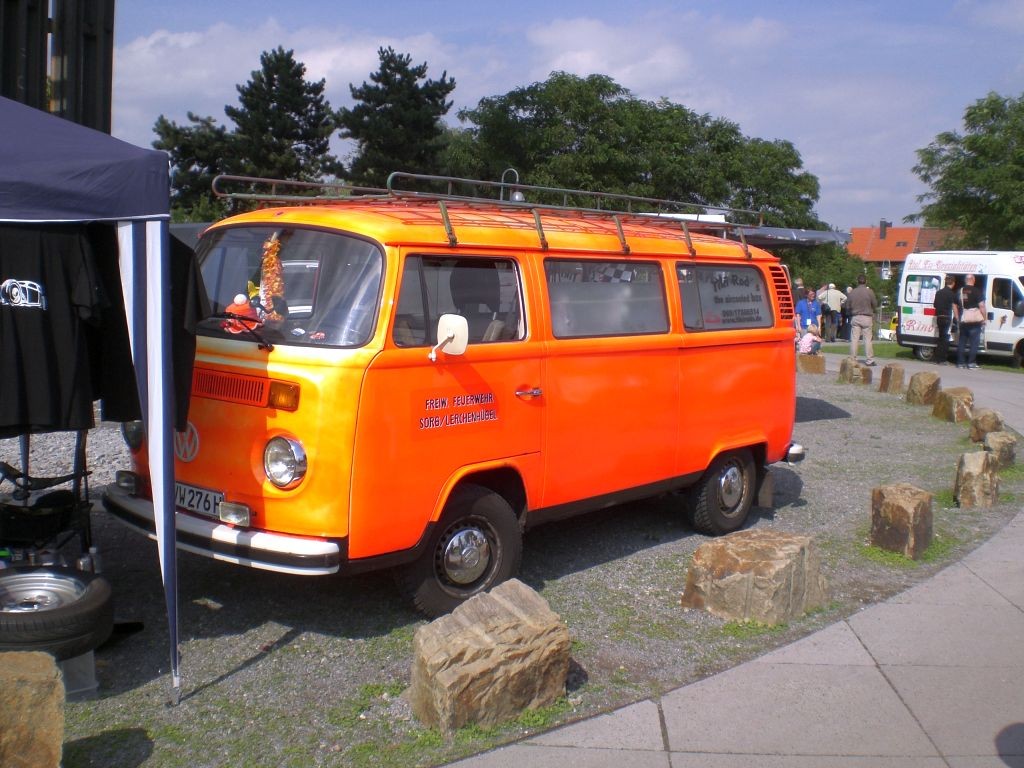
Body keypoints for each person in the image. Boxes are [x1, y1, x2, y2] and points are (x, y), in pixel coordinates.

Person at [956, 273, 986, 369]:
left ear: (966, 280)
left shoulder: (960, 291)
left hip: (964, 320)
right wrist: (984, 318)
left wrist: (957, 318)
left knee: (962, 342)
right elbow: (982, 306)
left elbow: (954, 304)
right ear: (973, 280)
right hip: (975, 321)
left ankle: (960, 363)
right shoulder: (977, 291)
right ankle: (971, 363)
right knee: (974, 343)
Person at [847, 274, 878, 365]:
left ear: (857, 281)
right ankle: (869, 360)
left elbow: (847, 306)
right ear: (866, 281)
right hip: (867, 316)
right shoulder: (870, 292)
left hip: (856, 316)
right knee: (867, 339)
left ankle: (853, 358)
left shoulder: (852, 292)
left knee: (854, 339)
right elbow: (875, 304)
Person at [932, 275, 957, 365]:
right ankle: (942, 359)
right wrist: (957, 318)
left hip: (939, 317)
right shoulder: (952, 294)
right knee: (945, 339)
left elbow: (935, 305)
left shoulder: (939, 293)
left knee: (940, 338)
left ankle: (937, 358)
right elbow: (954, 307)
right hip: (947, 317)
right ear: (953, 283)